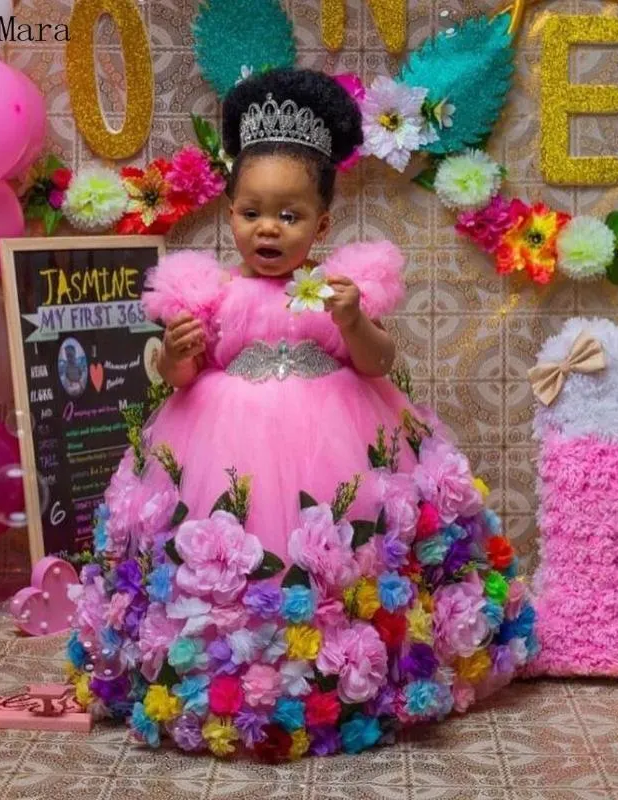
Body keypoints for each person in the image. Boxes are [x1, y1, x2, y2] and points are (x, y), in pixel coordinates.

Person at [67, 68, 536, 759]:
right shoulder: (211, 291)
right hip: (220, 445)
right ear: (229, 213)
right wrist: (176, 354)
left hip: (337, 437)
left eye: (289, 216)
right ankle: (233, 673)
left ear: (321, 223)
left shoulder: (334, 286)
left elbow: (376, 363)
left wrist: (351, 321)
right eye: (252, 211)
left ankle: (345, 671)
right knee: (229, 550)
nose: (268, 229)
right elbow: (178, 377)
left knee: (350, 553)